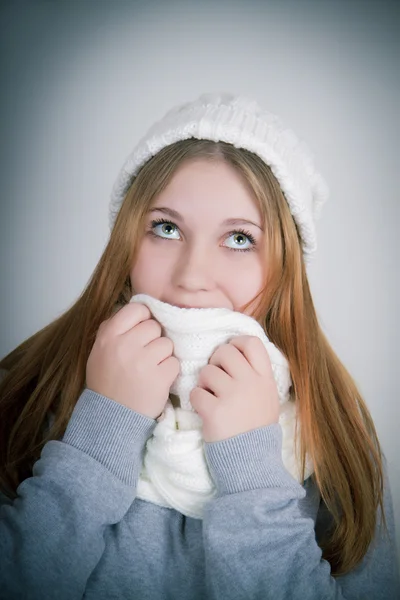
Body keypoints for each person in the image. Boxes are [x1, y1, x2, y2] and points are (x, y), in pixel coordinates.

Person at [0, 93, 399, 599]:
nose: (192, 278)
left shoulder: (336, 430)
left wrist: (250, 466)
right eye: (166, 229)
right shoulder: (27, 393)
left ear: (284, 270)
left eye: (238, 239)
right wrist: (103, 429)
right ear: (127, 241)